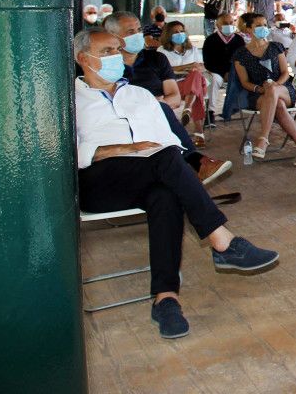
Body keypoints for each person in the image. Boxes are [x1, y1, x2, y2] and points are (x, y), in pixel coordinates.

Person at [74, 28, 279, 339]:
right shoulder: (70, 102)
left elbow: (169, 142)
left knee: (165, 194)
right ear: (82, 59)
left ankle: (166, 299)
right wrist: (114, 150)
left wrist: (149, 152)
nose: (116, 56)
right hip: (98, 181)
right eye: (106, 52)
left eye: (118, 50)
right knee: (167, 160)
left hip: (148, 175)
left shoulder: (139, 95)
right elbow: (59, 155)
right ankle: (222, 241)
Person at [102, 12, 231, 185]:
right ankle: (196, 161)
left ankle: (193, 167)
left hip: (156, 117)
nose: (138, 34)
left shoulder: (156, 58)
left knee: (162, 108)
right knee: (161, 108)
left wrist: (151, 104)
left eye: (139, 29)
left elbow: (175, 98)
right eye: (130, 31)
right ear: (113, 37)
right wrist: (152, 103)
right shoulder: (106, 65)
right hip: (122, 119)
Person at [231, 13, 296, 164]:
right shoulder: (241, 54)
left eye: (265, 25)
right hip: (258, 93)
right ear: (249, 29)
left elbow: (285, 72)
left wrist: (275, 85)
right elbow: (244, 82)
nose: (263, 28)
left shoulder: (275, 47)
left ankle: (263, 139)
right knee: (278, 105)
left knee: (273, 91)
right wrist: (260, 89)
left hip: (283, 88)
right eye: (259, 25)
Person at [157, 21, 208, 146]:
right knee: (196, 90)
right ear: (168, 34)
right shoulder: (162, 51)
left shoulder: (193, 49)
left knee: (196, 76)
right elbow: (164, 70)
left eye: (181, 31)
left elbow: (202, 67)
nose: (180, 34)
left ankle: (188, 108)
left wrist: (183, 69)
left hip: (194, 83)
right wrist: (189, 66)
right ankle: (199, 132)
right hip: (175, 87)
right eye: (175, 32)